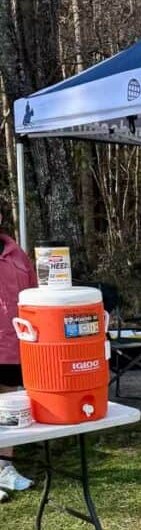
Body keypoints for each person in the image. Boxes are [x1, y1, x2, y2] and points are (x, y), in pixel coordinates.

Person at [0, 208, 38, 499]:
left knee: (8, 408)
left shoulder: (16, 253)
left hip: (14, 347)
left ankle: (4, 469)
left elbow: (34, 295)